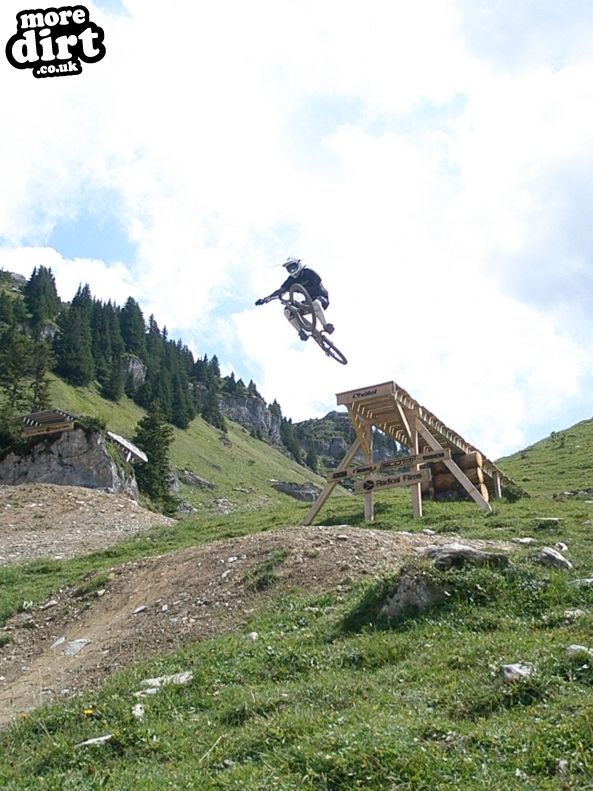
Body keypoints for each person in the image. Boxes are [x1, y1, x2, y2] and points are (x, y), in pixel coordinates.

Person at [255, 257, 335, 341]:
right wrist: (266, 299)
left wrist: (301, 294)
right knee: (287, 311)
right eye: (290, 270)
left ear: (298, 265)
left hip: (321, 299)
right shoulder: (291, 280)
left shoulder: (309, 273)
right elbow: (281, 291)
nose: (292, 271)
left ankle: (326, 325)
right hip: (307, 303)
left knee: (315, 303)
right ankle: (301, 331)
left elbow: (317, 284)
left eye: (293, 268)